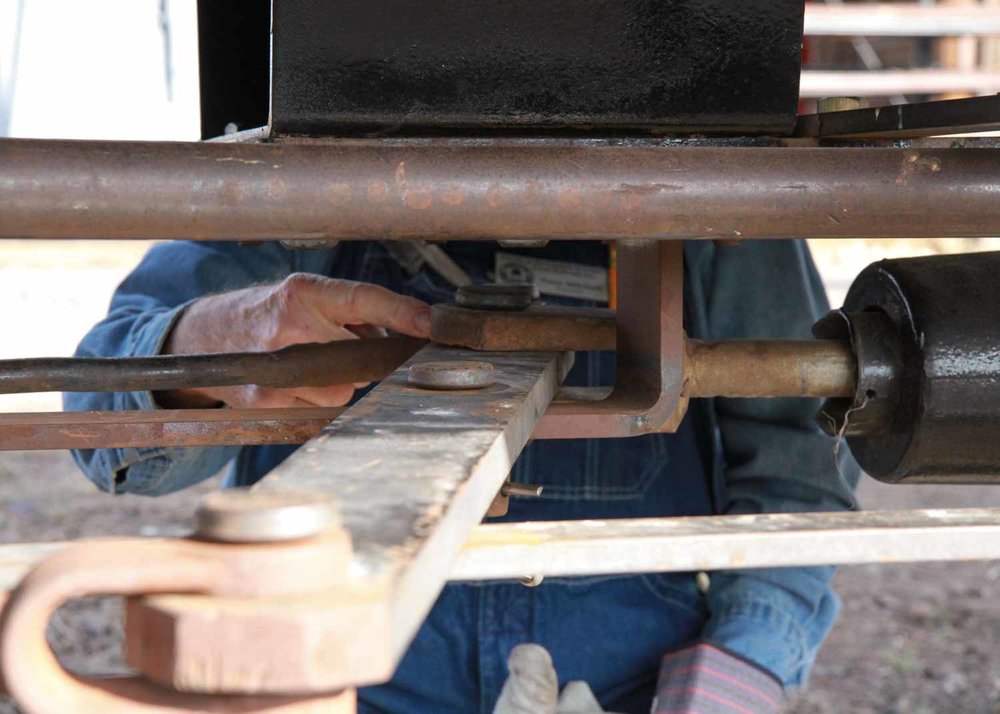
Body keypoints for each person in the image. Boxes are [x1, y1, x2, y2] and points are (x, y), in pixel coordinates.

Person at [67, 238, 858, 714]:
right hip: (338, 688)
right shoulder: (286, 184)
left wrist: (731, 679)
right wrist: (209, 340)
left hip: (629, 692)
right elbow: (101, 424)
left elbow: (800, 462)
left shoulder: (716, 210)